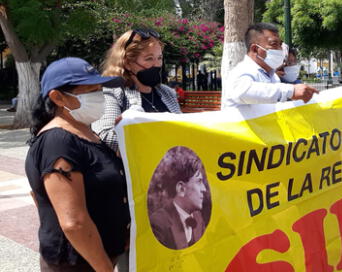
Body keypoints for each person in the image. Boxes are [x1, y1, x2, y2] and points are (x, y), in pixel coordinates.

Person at [25, 57, 129, 271]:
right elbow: (74, 222)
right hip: (79, 264)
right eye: (91, 91)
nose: (100, 97)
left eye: (100, 90)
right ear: (58, 97)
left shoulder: (87, 134)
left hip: (99, 259)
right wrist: (104, 268)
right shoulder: (58, 141)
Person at [93, 28, 182, 152]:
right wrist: (156, 146)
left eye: (159, 58)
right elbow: (106, 134)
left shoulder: (167, 93)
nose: (156, 64)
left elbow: (183, 131)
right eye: (149, 59)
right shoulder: (112, 91)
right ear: (127, 63)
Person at [222, 23, 318, 109]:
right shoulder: (241, 71)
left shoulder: (273, 76)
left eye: (280, 44)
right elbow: (243, 92)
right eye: (274, 44)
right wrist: (290, 91)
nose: (280, 49)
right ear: (255, 49)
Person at [149, 149, 207, 250]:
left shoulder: (198, 218)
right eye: (199, 182)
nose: (204, 189)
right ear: (181, 188)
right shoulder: (158, 223)